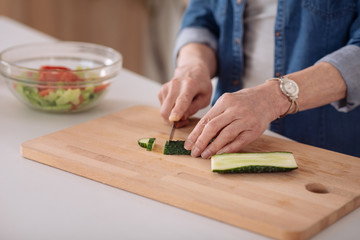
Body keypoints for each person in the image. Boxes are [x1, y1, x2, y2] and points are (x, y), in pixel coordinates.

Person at [158, 0, 360, 158]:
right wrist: (193, 65)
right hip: (227, 131)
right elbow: (202, 17)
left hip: (328, 147)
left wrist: (274, 98)